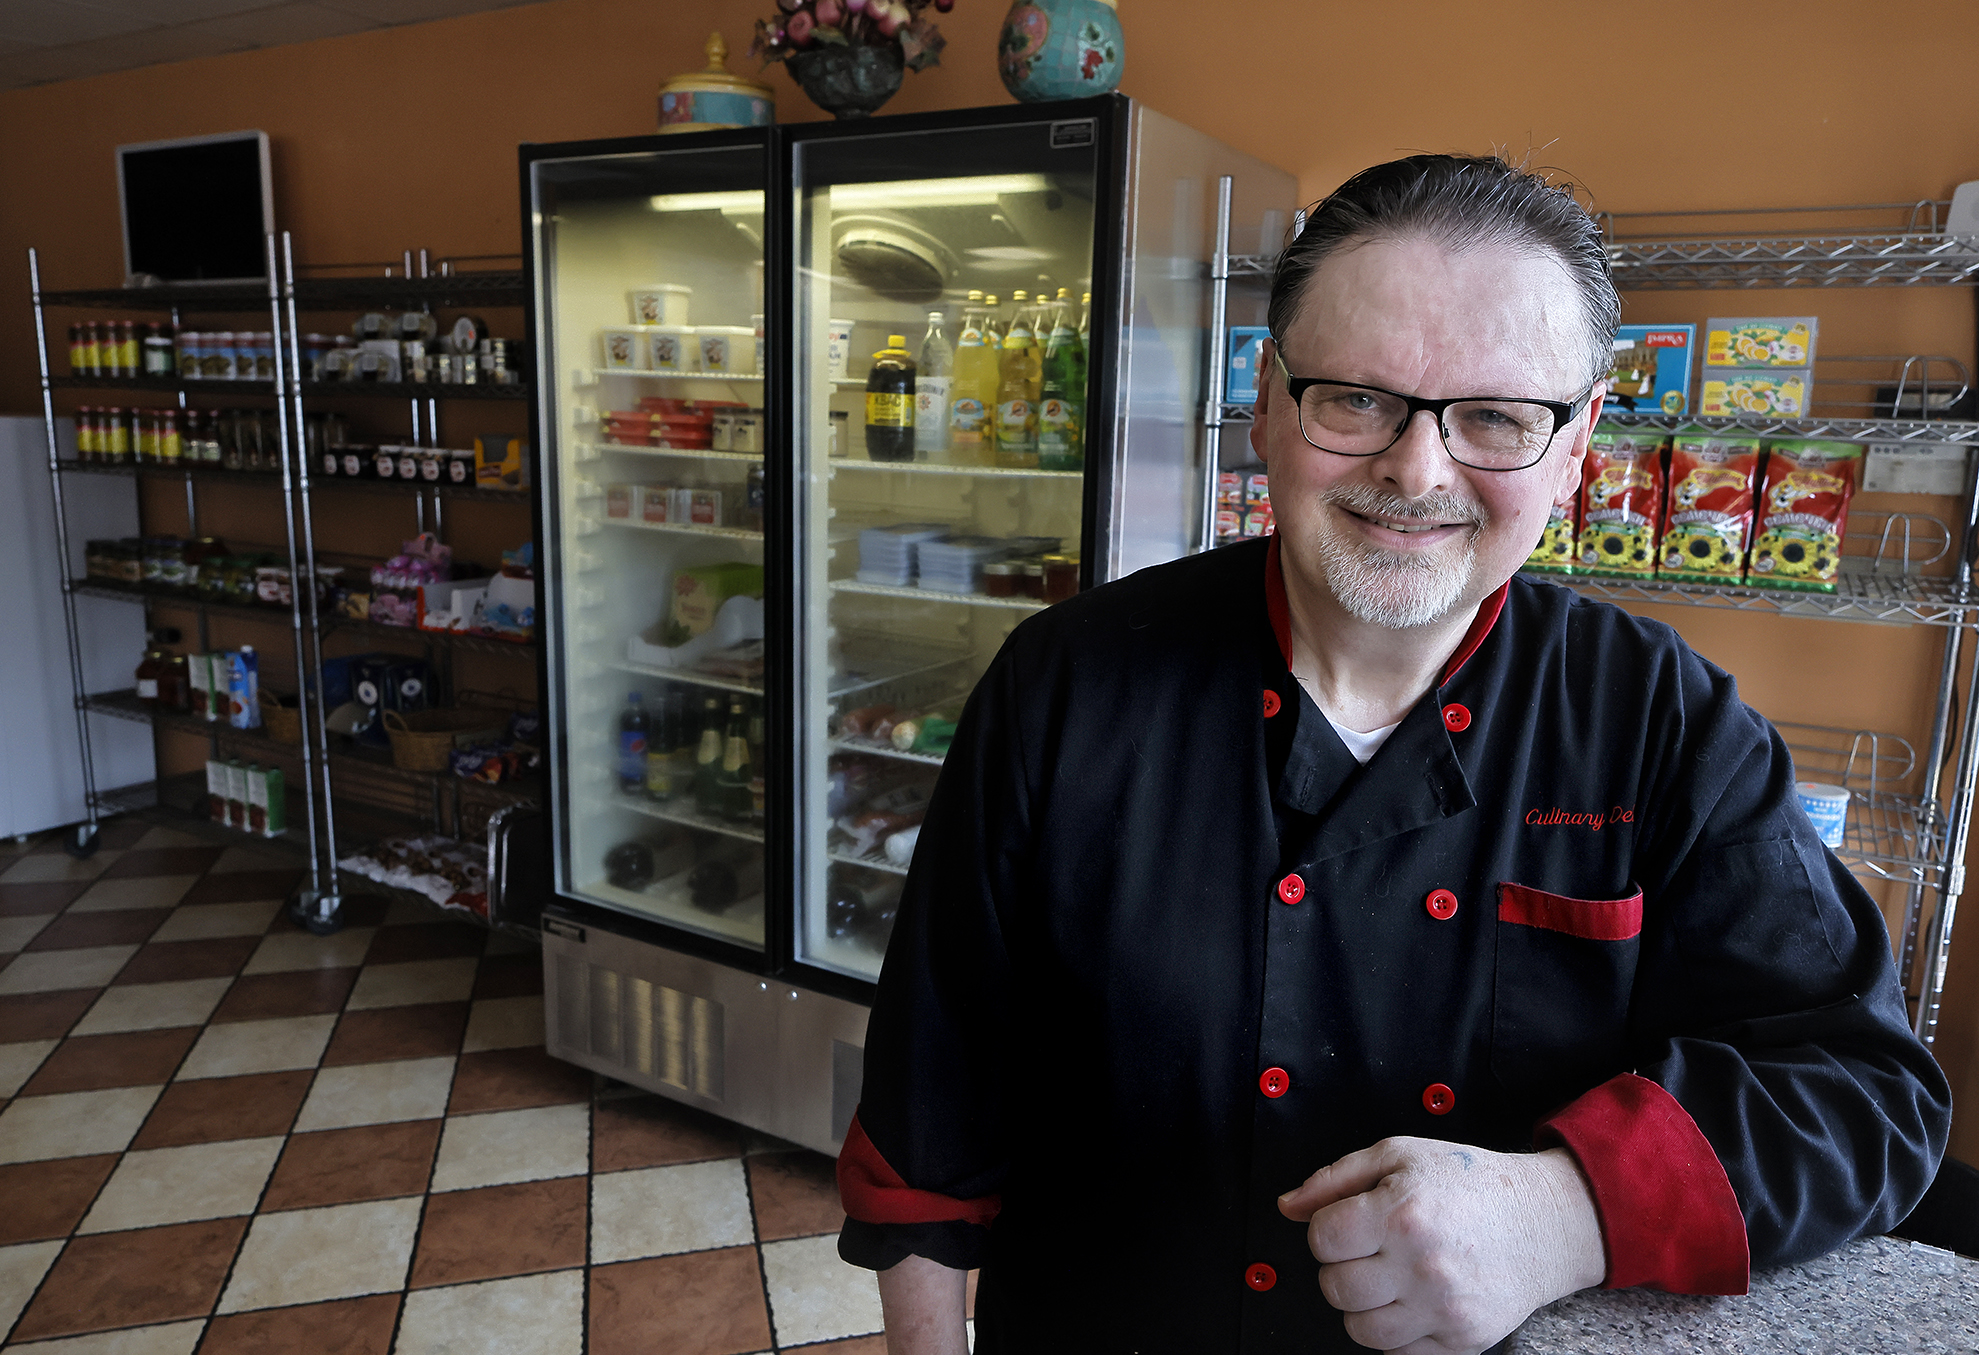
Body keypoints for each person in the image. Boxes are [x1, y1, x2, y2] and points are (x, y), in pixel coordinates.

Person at [835, 154, 1951, 1355]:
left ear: (1575, 446)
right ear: (1267, 405)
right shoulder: (1063, 682)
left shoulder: (1658, 717)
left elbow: (1863, 1093)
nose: (1415, 472)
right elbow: (930, 1105)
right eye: (1355, 399)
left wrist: (1564, 1209)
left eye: (1495, 417)